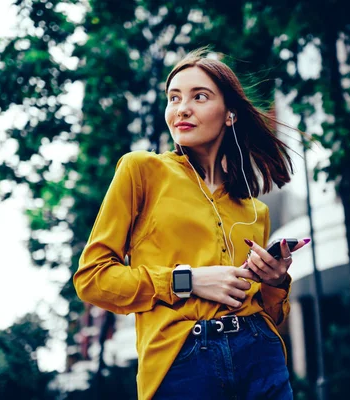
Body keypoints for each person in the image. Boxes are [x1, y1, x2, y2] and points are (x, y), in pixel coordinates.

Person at [73, 48, 310, 399]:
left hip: (261, 356)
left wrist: (275, 280)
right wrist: (188, 280)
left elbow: (272, 314)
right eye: (174, 98)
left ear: (230, 114)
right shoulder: (142, 171)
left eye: (199, 97)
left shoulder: (254, 211)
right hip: (182, 361)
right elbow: (92, 280)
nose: (182, 108)